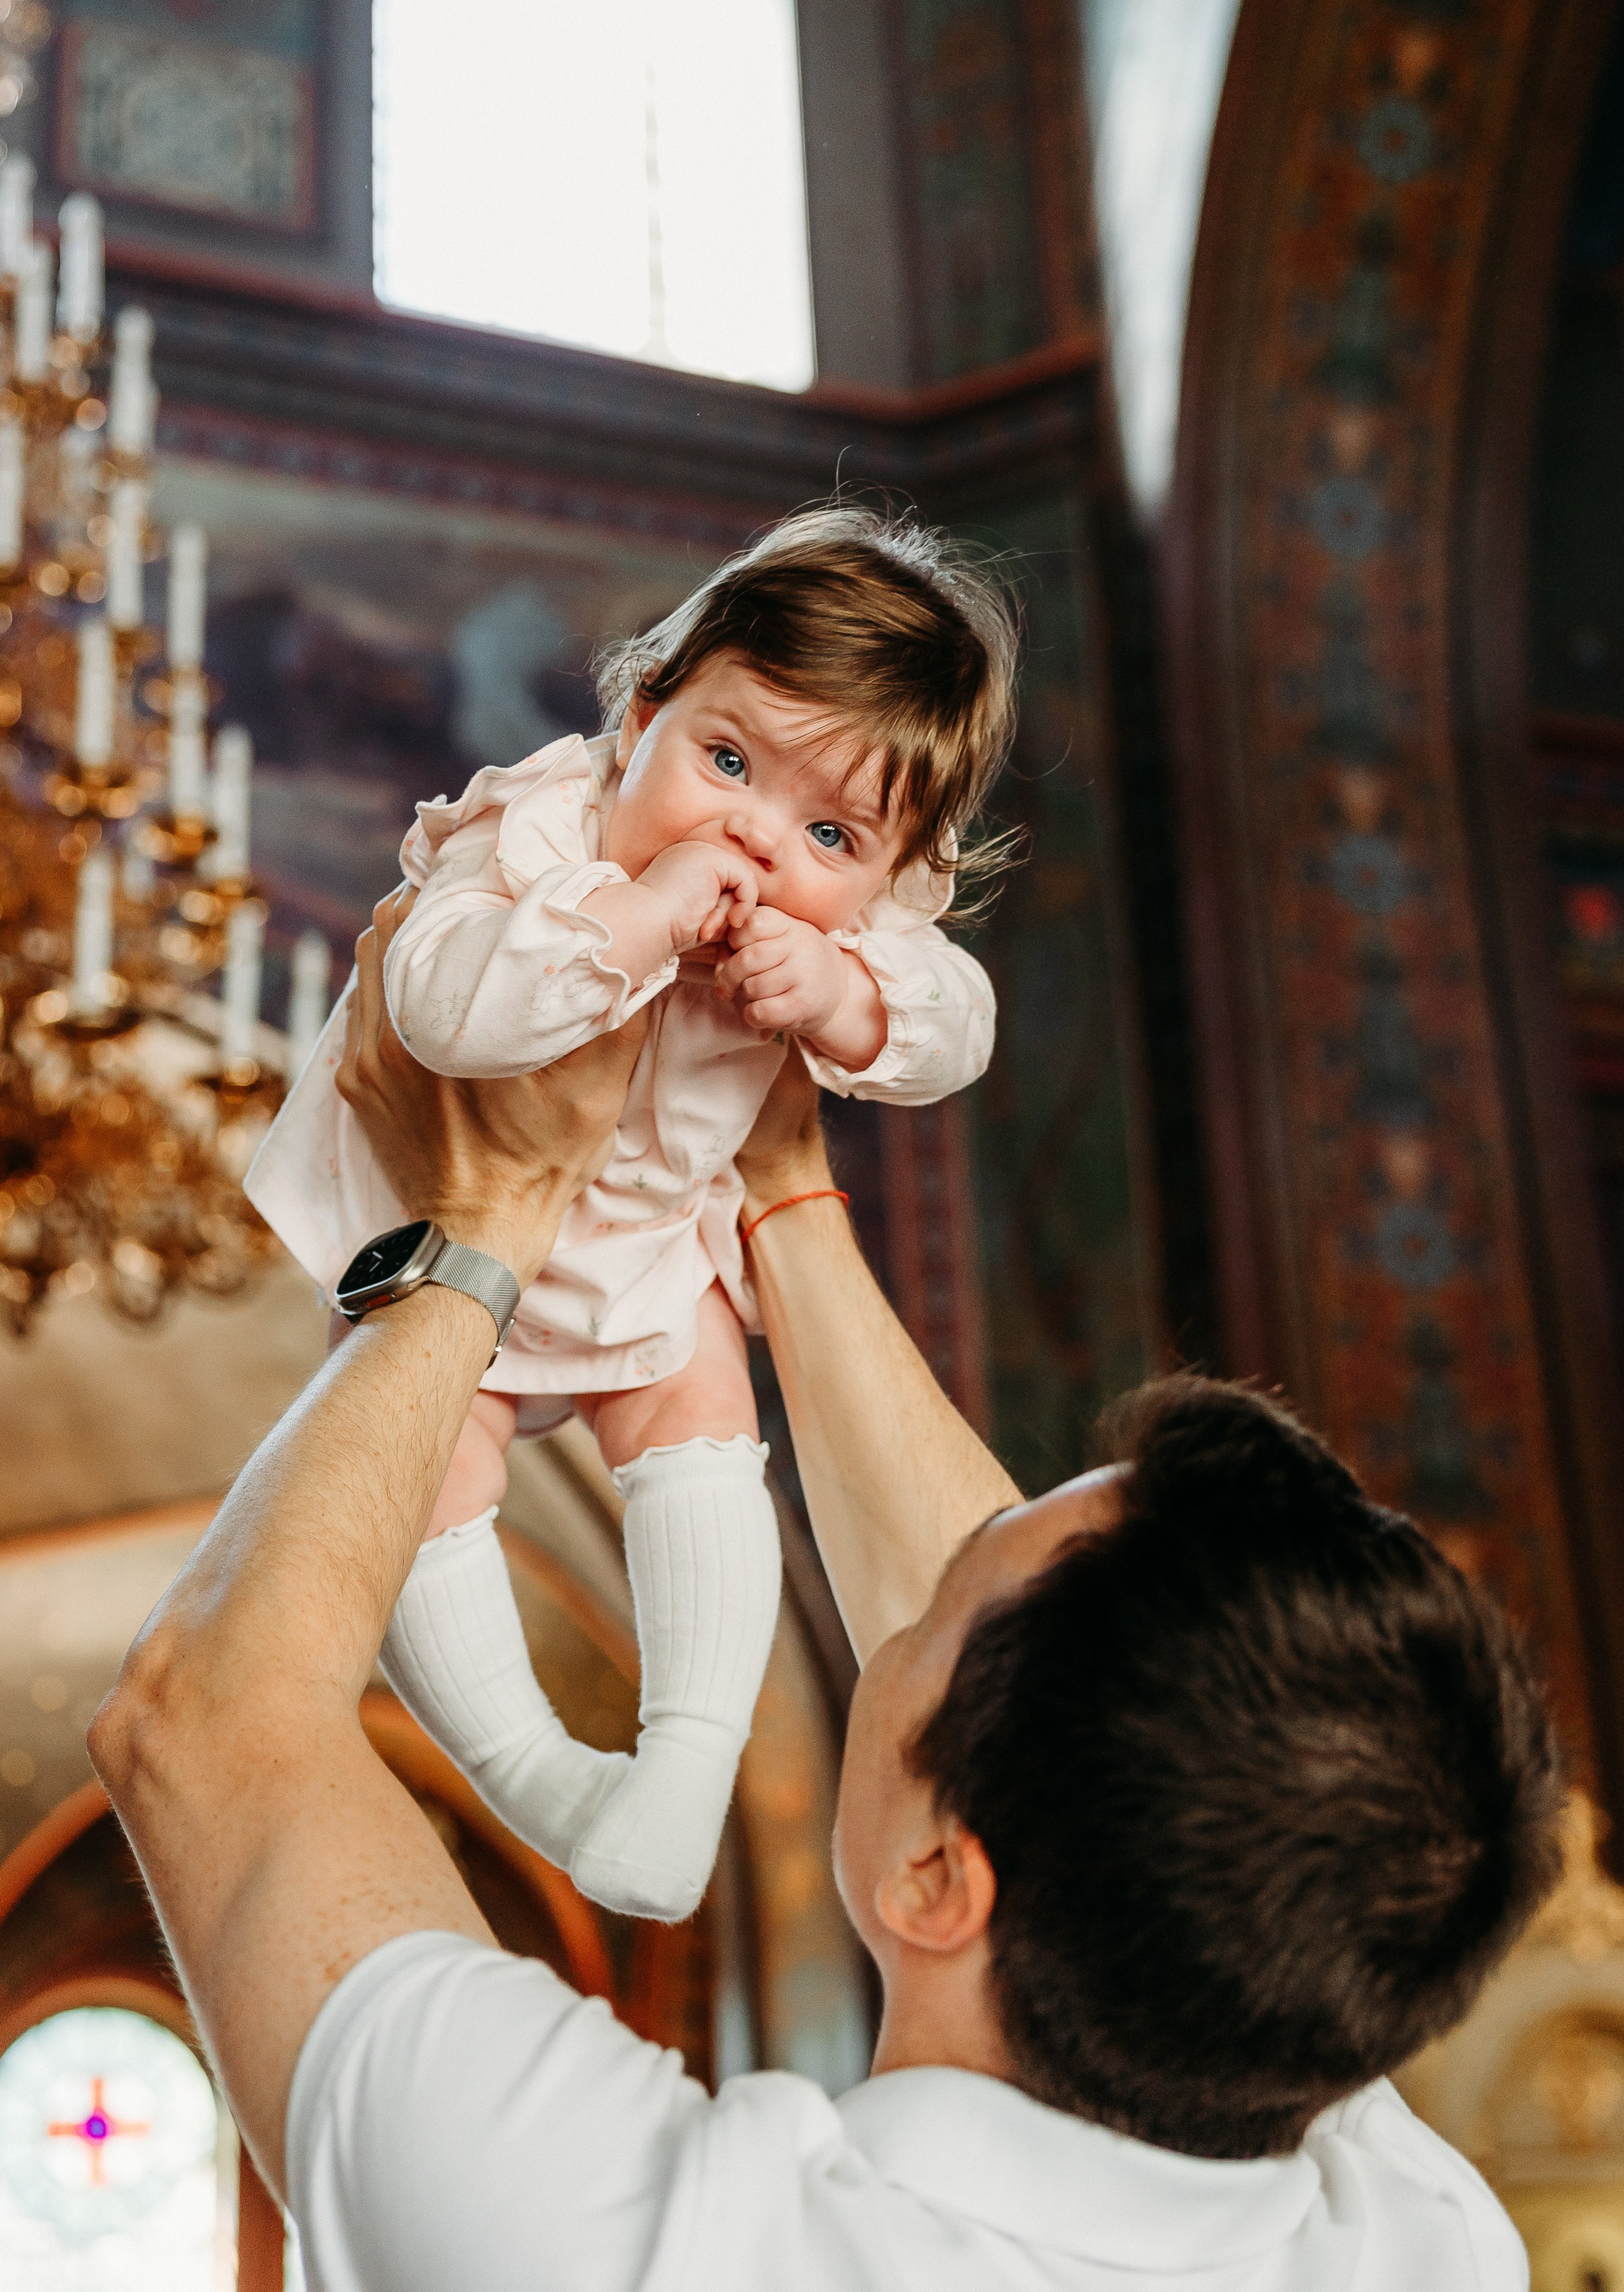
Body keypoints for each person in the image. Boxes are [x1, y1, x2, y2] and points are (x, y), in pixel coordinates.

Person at [91, 897, 1562, 2292]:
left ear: (938, 1880)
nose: (911, 1602)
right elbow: (1057, 1678)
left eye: (928, 1625)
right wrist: (778, 1187)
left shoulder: (640, 2243)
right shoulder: (1403, 2223)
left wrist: (483, 1221)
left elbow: (205, 1730)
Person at [244, 505, 1011, 1921]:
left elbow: (958, 1025)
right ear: (643, 715)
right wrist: (637, 920)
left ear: (895, 874)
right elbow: (442, 1004)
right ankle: (533, 1774)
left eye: (829, 833)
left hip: (648, 1258)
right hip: (441, 1244)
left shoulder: (843, 933)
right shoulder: (540, 826)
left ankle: (683, 1771)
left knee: (705, 1410)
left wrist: (846, 997)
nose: (753, 837)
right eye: (726, 761)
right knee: (412, 1470)